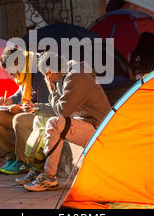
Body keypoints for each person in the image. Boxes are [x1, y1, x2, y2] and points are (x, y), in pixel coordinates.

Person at [22, 51, 111, 192]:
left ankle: (48, 177)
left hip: (101, 130)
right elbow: (61, 107)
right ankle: (43, 170)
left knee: (54, 123)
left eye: (45, 75)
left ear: (49, 72)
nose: (46, 78)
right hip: (90, 125)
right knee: (44, 119)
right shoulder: (67, 75)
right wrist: (36, 108)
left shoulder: (76, 77)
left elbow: (62, 111)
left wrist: (51, 90)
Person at [0, 46, 53, 175]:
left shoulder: (38, 71)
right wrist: (10, 100)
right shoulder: (24, 69)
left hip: (43, 115)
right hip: (29, 110)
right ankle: (11, 157)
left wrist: (20, 109)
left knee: (18, 118)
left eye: (11, 70)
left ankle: (23, 161)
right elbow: (21, 92)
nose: (10, 75)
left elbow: (45, 104)